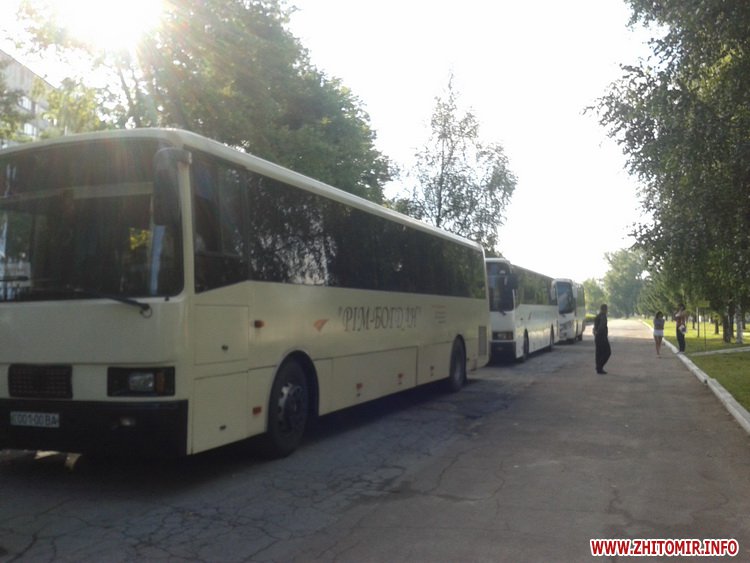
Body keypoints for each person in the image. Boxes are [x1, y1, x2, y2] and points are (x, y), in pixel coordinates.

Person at [593, 304, 611, 374]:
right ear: (605, 309)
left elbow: (595, 327)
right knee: (607, 352)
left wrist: (595, 332)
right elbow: (601, 326)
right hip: (602, 337)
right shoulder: (603, 316)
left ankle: (598, 368)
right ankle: (599, 366)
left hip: (597, 337)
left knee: (599, 353)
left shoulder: (597, 316)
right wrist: (598, 332)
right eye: (606, 309)